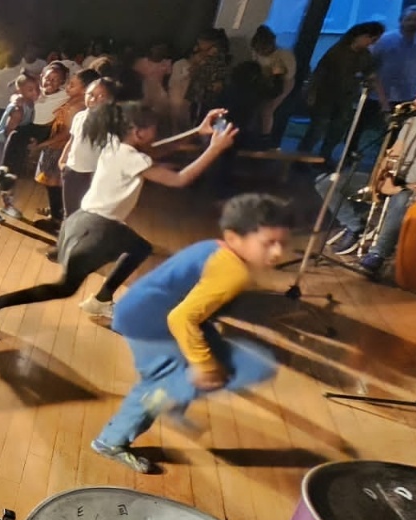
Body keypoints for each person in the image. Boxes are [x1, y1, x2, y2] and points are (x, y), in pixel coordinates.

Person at [0, 104, 238, 340]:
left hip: (85, 222)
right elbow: (180, 179)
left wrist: (197, 131)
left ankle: (101, 299)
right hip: (97, 229)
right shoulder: (134, 158)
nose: (156, 134)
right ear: (139, 132)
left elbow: (155, 150)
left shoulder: (117, 147)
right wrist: (214, 148)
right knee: (64, 288)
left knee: (140, 248)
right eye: (153, 129)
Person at [91, 193, 292, 474]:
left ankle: (176, 396)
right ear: (234, 238)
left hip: (147, 310)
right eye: (268, 243)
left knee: (231, 360)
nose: (278, 253)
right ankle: (111, 441)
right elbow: (182, 318)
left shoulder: (214, 247)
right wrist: (204, 365)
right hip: (149, 323)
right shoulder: (233, 271)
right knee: (160, 387)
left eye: (282, 243)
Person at [318, 82, 416, 271]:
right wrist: (382, 178)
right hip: (391, 179)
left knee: (401, 200)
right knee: (327, 183)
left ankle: (378, 254)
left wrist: (398, 188)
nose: (415, 100)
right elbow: (393, 153)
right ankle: (355, 226)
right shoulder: (413, 122)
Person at [299, 21, 385, 161]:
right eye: (371, 39)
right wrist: (311, 92)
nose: (372, 43)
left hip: (346, 98)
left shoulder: (365, 56)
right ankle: (301, 157)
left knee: (337, 131)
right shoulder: (337, 51)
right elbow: (319, 72)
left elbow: (372, 76)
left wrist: (381, 99)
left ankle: (324, 157)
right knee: (318, 128)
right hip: (326, 96)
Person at [29, 69, 96, 230]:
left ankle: (56, 218)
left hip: (58, 148)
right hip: (56, 146)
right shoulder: (74, 102)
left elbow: (66, 134)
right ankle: (56, 210)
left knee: (52, 182)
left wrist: (42, 145)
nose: (67, 87)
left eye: (72, 85)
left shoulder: (77, 107)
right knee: (53, 182)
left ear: (85, 90)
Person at [56, 77, 120, 220]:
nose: (93, 99)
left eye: (101, 96)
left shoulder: (109, 124)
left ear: (110, 100)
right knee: (69, 211)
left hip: (92, 174)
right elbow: (72, 140)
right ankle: (67, 233)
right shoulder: (79, 117)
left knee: (87, 212)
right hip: (72, 170)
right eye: (90, 94)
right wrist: (63, 160)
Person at [0, 74, 37, 222]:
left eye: (36, 89)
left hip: (10, 145)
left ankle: (7, 204)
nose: (35, 92)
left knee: (10, 176)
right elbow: (9, 133)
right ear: (20, 90)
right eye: (30, 89)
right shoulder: (18, 109)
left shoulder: (29, 103)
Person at [371, 6, 416, 107]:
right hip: (380, 95)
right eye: (409, 19)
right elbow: (371, 65)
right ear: (401, 20)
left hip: (412, 96)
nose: (412, 23)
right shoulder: (384, 39)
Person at [250, 26, 296, 140]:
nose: (262, 52)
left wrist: (276, 75)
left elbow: (289, 75)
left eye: (263, 49)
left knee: (267, 109)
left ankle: (265, 135)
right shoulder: (257, 53)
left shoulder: (284, 55)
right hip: (262, 82)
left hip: (282, 82)